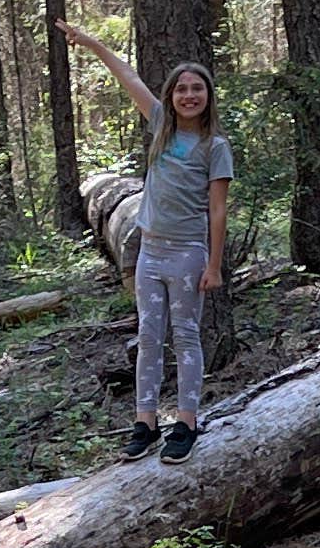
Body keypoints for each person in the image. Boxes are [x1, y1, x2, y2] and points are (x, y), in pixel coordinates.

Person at [58, 23, 230, 460]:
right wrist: (93, 43)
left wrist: (213, 265)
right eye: (181, 89)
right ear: (171, 96)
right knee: (149, 336)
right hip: (150, 253)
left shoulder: (214, 147)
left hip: (188, 254)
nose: (189, 95)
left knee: (186, 337)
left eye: (197, 89)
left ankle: (187, 421)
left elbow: (217, 210)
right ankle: (146, 421)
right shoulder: (161, 128)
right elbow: (128, 77)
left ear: (208, 97)